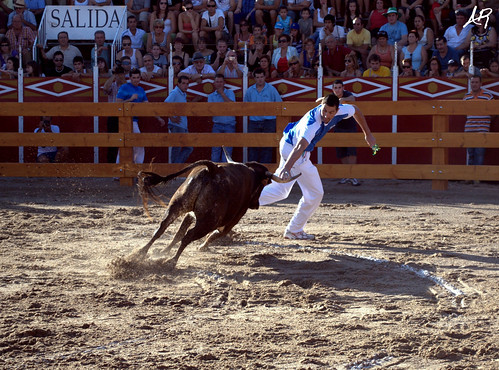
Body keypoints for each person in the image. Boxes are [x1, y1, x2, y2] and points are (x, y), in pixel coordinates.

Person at [258, 94, 376, 240]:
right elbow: (300, 146)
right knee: (315, 193)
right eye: (324, 111)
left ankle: (244, 199)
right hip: (295, 150)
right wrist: (287, 167)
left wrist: (368, 134)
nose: (326, 115)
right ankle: (294, 230)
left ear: (337, 110)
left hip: (289, 145)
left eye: (331, 112)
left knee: (280, 191)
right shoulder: (312, 123)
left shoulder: (342, 110)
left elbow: (356, 110)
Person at [116, 68, 166, 165]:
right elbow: (117, 104)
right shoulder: (124, 87)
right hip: (124, 120)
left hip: (134, 121)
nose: (136, 80)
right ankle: (133, 170)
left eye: (138, 77)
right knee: (131, 145)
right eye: (134, 78)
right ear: (130, 78)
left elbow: (147, 107)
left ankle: (122, 172)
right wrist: (130, 99)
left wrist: (158, 117)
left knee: (127, 146)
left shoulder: (141, 90)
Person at [243, 67, 282, 163]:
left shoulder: (271, 89)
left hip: (269, 121)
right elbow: (244, 107)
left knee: (267, 148)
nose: (260, 79)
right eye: (257, 77)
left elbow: (279, 104)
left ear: (265, 77)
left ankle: (264, 171)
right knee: (253, 146)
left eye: (261, 77)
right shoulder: (249, 91)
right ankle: (252, 172)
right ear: (254, 78)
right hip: (254, 121)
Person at [332, 79, 362, 186]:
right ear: (333, 89)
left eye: (339, 87)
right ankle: (346, 174)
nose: (338, 90)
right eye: (335, 88)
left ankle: (352, 175)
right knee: (342, 153)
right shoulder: (331, 98)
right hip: (338, 127)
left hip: (350, 127)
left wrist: (342, 99)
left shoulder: (347, 94)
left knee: (352, 152)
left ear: (343, 88)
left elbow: (353, 98)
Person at [463, 75, 493, 169]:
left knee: (479, 153)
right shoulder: (466, 97)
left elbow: (494, 111)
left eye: (476, 82)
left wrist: (486, 120)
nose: (474, 84)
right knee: (470, 153)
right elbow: (463, 112)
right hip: (469, 128)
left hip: (482, 128)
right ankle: (471, 177)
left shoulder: (488, 96)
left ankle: (477, 177)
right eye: (472, 82)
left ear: (480, 84)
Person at [208, 74, 237, 162]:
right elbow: (211, 111)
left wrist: (222, 94)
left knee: (227, 151)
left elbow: (233, 107)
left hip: (229, 125)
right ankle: (215, 172)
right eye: (217, 82)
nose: (219, 84)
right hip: (217, 124)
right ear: (214, 83)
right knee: (215, 150)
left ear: (224, 83)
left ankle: (224, 173)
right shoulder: (211, 96)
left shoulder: (230, 93)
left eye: (221, 82)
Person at [164, 75, 193, 163]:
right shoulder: (175, 92)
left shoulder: (182, 93)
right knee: (178, 147)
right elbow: (165, 105)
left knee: (187, 147)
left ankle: (176, 168)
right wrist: (171, 118)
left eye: (187, 84)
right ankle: (175, 169)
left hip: (182, 125)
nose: (185, 86)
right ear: (178, 84)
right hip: (177, 125)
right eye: (183, 83)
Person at [102, 65, 127, 163]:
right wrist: (113, 76)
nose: (119, 75)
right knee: (112, 140)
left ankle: (124, 162)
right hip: (113, 116)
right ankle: (111, 164)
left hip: (125, 116)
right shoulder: (112, 85)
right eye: (118, 73)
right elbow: (105, 88)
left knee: (125, 140)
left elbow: (127, 88)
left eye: (121, 73)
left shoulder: (127, 85)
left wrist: (121, 78)